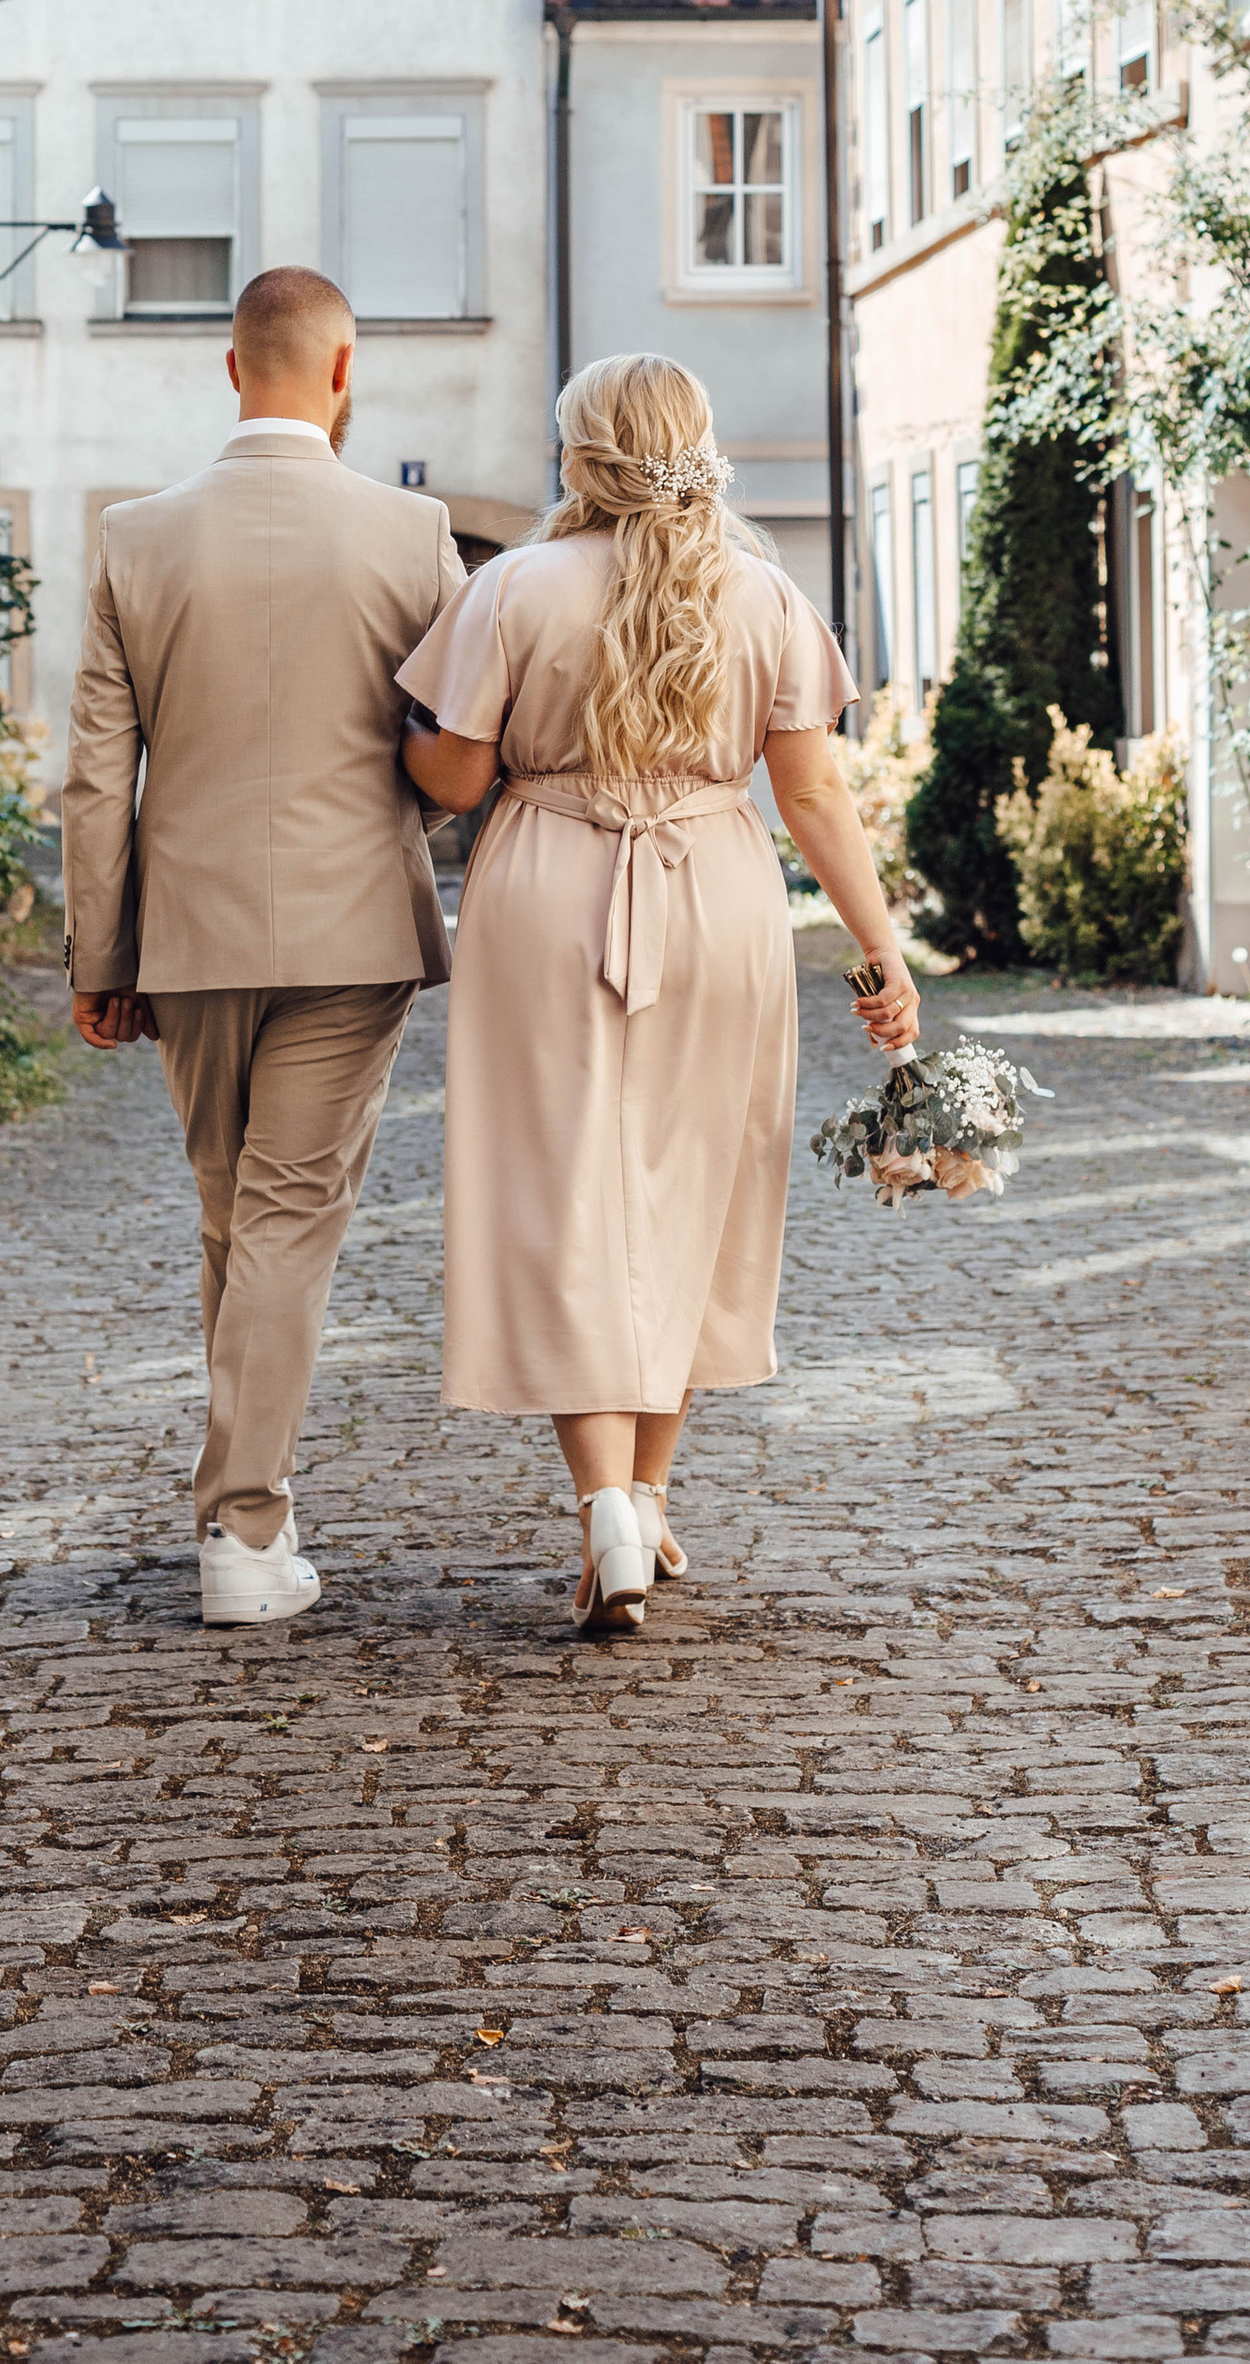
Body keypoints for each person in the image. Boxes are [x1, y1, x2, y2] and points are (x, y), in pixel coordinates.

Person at [399, 352, 918, 1634]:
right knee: (693, 1185)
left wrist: (392, 722)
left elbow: (454, 784)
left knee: (562, 1186)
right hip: (718, 895)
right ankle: (649, 1491)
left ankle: (605, 1512)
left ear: (580, 456)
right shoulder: (764, 594)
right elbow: (808, 796)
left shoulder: (510, 587)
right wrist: (881, 949)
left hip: (544, 896)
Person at [61, 266, 464, 1628]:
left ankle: (244, 1510)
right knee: (280, 1219)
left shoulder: (135, 537)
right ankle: (244, 1530)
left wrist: (98, 957)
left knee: (240, 1213)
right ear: (343, 372)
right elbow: (458, 754)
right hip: (354, 930)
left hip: (189, 931)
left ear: (233, 370)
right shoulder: (415, 537)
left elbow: (93, 777)